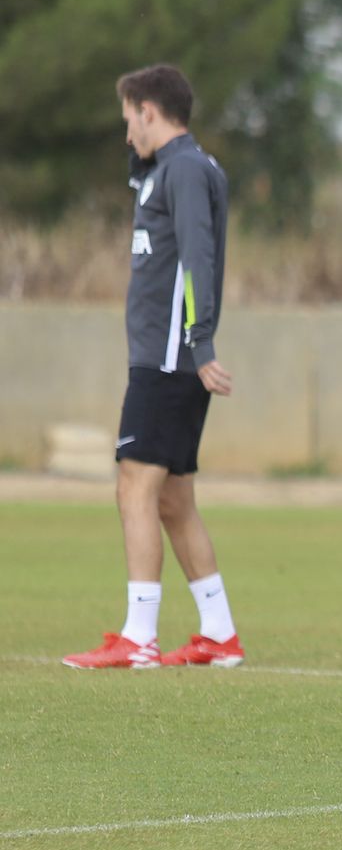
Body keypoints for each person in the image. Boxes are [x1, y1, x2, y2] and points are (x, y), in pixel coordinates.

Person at [63, 64, 245, 669]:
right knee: (173, 500)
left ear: (150, 110)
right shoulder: (169, 170)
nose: (126, 135)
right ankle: (218, 634)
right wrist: (144, 168)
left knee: (134, 485)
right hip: (165, 358)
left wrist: (199, 343)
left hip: (168, 360)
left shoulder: (188, 170)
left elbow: (197, 257)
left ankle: (139, 636)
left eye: (129, 120)